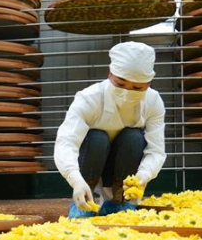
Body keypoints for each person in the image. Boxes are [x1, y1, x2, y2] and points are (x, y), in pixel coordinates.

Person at [54, 41, 166, 218]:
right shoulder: (89, 98)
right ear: (110, 73)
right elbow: (67, 142)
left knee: (134, 137)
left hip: (123, 165)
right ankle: (85, 202)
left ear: (149, 83)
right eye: (120, 84)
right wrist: (75, 179)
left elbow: (156, 150)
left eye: (137, 88)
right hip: (90, 160)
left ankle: (118, 201)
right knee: (97, 138)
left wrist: (143, 175)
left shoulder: (153, 102)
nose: (127, 92)